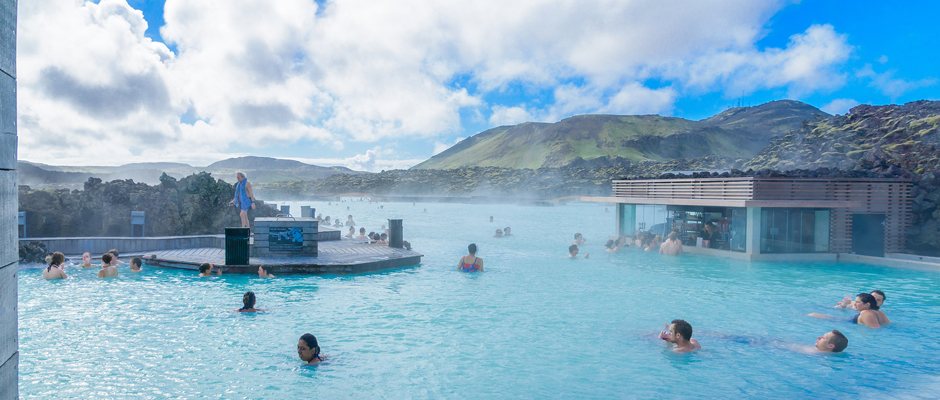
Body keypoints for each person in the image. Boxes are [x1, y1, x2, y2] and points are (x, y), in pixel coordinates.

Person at [811, 293, 890, 328]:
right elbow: (887, 325)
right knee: (819, 314)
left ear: (868, 304)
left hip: (844, 323)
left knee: (813, 315)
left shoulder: (866, 313)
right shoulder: (880, 312)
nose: (854, 304)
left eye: (857, 302)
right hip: (845, 321)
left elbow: (875, 329)